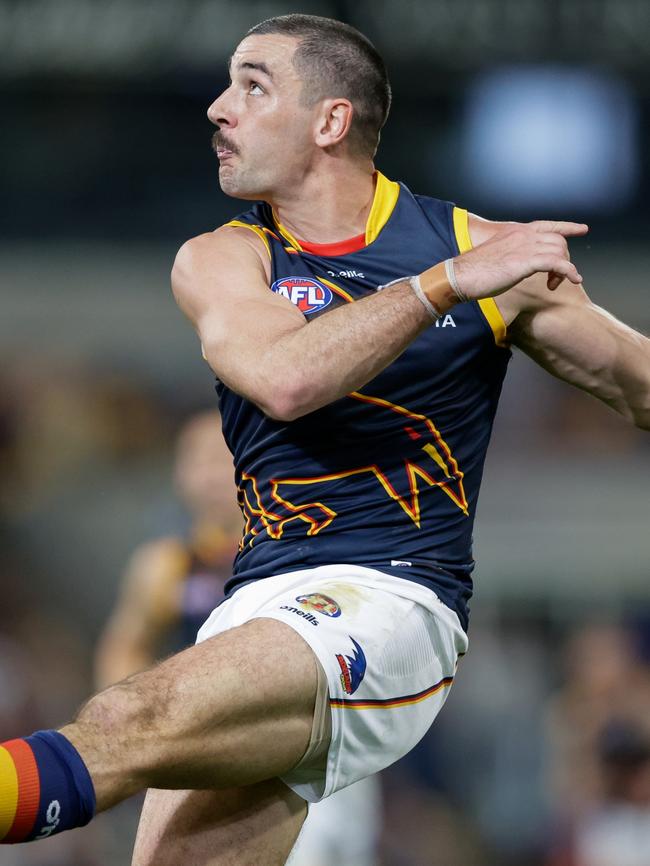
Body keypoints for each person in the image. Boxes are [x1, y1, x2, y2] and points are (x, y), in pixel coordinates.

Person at [1, 13, 648, 865]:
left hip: (392, 601)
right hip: (257, 607)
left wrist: (462, 276)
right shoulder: (226, 260)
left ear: (330, 121)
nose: (218, 109)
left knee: (128, 719)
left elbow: (637, 384)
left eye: (253, 85)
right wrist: (443, 287)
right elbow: (286, 379)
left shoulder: (484, 254)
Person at [94, 408, 382, 866]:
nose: (209, 475)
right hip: (216, 744)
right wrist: (148, 728)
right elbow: (125, 644)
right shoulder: (167, 565)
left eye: (220, 457)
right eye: (196, 460)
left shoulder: (308, 549)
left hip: (307, 742)